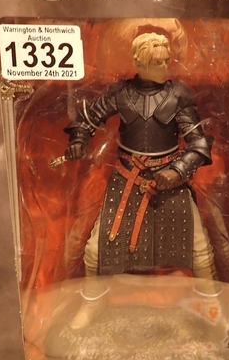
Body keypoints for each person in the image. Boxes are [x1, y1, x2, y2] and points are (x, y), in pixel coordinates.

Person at [64, 32, 217, 328]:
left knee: (200, 249)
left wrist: (176, 171)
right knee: (94, 251)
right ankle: (91, 304)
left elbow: (199, 143)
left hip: (169, 183)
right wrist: (79, 140)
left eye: (166, 61)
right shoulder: (120, 93)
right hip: (127, 181)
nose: (164, 67)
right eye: (157, 62)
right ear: (139, 62)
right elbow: (86, 119)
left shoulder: (178, 94)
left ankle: (212, 307)